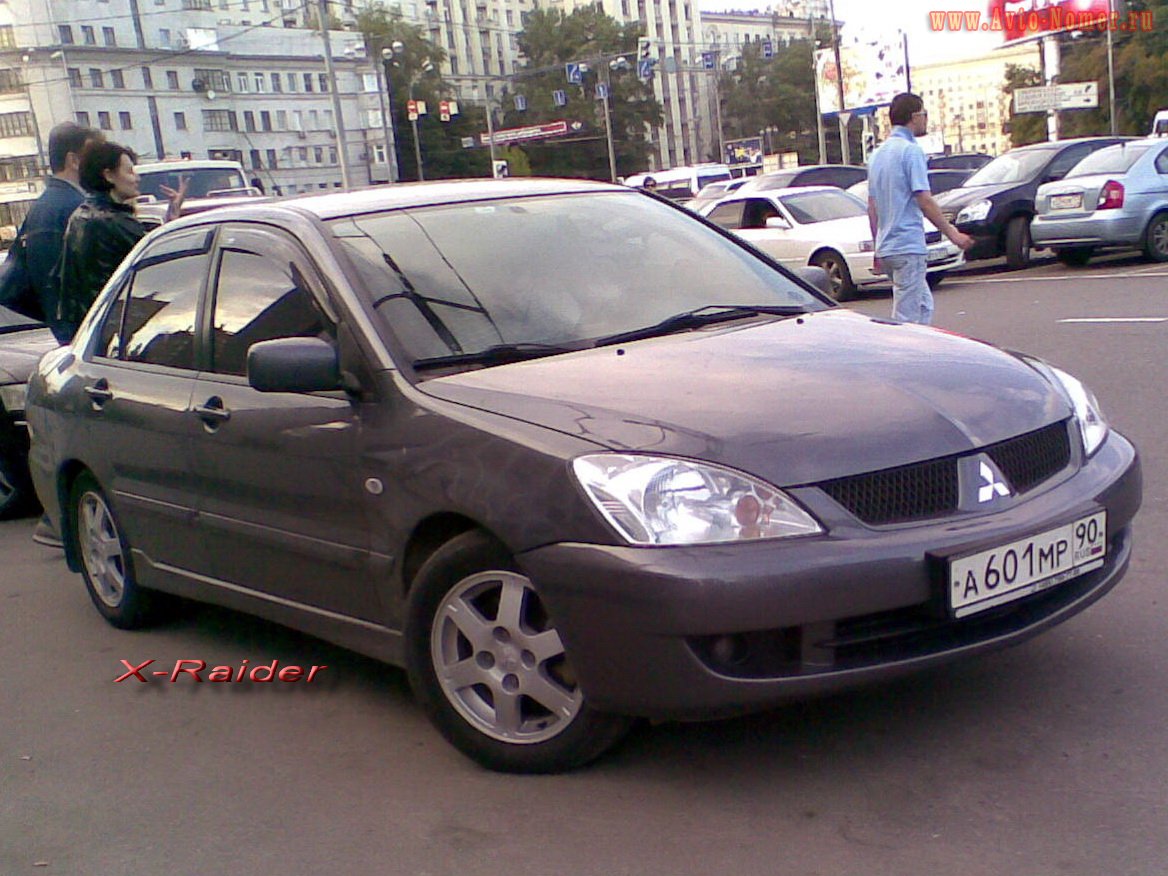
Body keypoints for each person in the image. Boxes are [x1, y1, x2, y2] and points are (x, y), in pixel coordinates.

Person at [55, 142, 186, 342]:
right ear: (109, 175)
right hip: (115, 331)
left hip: (86, 331)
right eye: (130, 172)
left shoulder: (81, 215)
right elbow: (163, 263)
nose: (137, 178)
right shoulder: (113, 221)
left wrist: (171, 219)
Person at [867, 92, 973, 325]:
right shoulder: (911, 151)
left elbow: (872, 206)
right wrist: (953, 234)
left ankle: (922, 344)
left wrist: (877, 247)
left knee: (923, 305)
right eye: (924, 114)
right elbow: (924, 199)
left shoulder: (876, 155)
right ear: (914, 116)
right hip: (907, 244)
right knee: (908, 318)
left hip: (887, 247)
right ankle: (905, 348)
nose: (926, 119)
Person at [8, 123, 103, 335]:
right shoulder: (73, 208)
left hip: (66, 327)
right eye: (94, 157)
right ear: (74, 161)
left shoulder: (43, 206)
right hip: (80, 329)